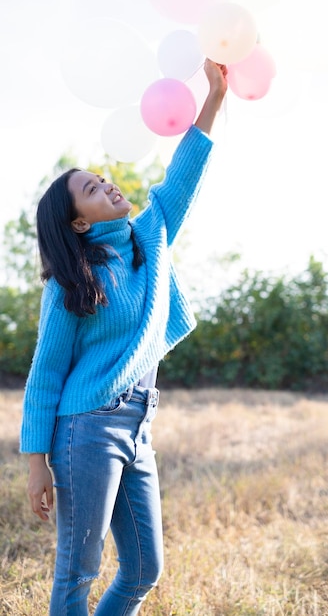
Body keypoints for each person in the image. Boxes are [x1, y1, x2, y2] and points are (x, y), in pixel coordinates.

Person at [20, 59, 228, 616]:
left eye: (100, 177)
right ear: (79, 222)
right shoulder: (72, 281)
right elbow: (44, 375)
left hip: (139, 424)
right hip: (84, 430)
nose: (106, 183)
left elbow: (184, 172)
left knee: (143, 569)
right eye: (91, 188)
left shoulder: (151, 234)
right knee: (77, 573)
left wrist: (214, 96)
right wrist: (37, 461)